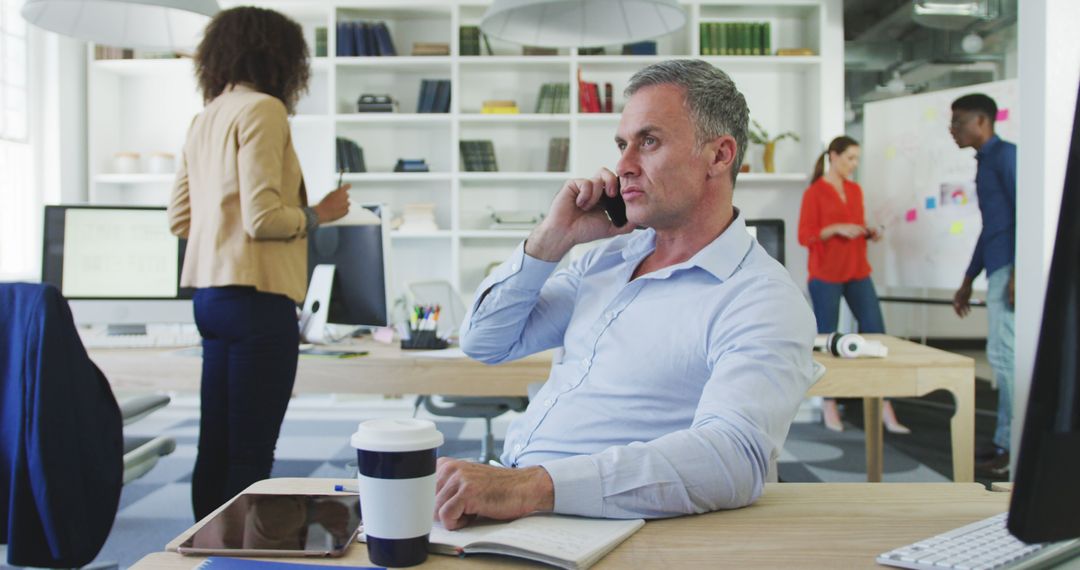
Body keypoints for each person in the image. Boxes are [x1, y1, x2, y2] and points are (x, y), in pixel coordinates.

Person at [434, 59, 815, 530]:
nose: (623, 166)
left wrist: (532, 487)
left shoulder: (760, 297)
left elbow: (733, 457)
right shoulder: (607, 261)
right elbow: (485, 341)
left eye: (648, 141)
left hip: (605, 524)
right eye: (622, 144)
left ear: (719, 156)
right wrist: (552, 239)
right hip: (519, 499)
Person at [167, 7, 350, 520]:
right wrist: (320, 214)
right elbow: (264, 217)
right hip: (257, 301)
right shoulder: (264, 110)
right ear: (280, 57)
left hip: (209, 299)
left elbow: (180, 219)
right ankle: (237, 557)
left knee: (216, 445)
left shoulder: (206, 116)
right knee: (250, 451)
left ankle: (201, 552)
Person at [797, 136, 910, 434]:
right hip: (825, 274)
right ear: (833, 156)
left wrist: (868, 232)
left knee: (877, 334)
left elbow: (854, 226)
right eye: (849, 158)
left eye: (857, 159)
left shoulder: (855, 190)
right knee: (827, 341)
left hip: (858, 270)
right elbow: (804, 235)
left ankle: (884, 403)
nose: (853, 165)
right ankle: (828, 402)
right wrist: (834, 229)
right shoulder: (815, 192)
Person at [948, 93, 1016, 478]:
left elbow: (1029, 212)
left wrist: (1019, 272)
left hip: (1009, 270)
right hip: (998, 267)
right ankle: (1004, 439)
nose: (952, 129)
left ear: (982, 122)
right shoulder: (984, 163)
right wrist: (967, 279)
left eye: (959, 122)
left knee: (1004, 356)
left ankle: (1010, 445)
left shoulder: (1007, 156)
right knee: (1002, 355)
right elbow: (992, 227)